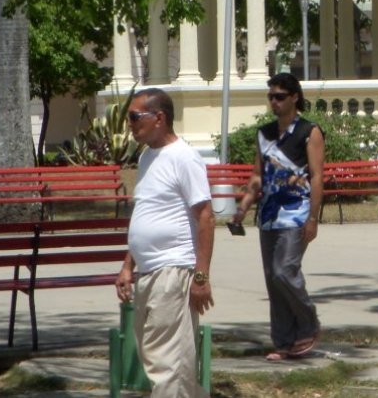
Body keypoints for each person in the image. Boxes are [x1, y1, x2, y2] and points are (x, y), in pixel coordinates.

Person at [115, 88, 214, 398]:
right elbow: (147, 212)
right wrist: (127, 265)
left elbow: (206, 217)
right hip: (148, 272)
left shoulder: (184, 157)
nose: (129, 124)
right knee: (161, 357)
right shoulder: (147, 157)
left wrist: (200, 276)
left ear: (159, 118)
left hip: (173, 270)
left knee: (168, 362)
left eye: (134, 117)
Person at [232, 72, 324, 361]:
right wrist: (243, 207)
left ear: (294, 97)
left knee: (285, 270)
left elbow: (318, 177)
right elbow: (257, 176)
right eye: (271, 96)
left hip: (296, 214)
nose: (274, 102)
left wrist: (313, 218)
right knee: (273, 278)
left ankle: (308, 323)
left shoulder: (309, 131)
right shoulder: (265, 133)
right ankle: (284, 341)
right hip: (269, 215)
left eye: (280, 97)